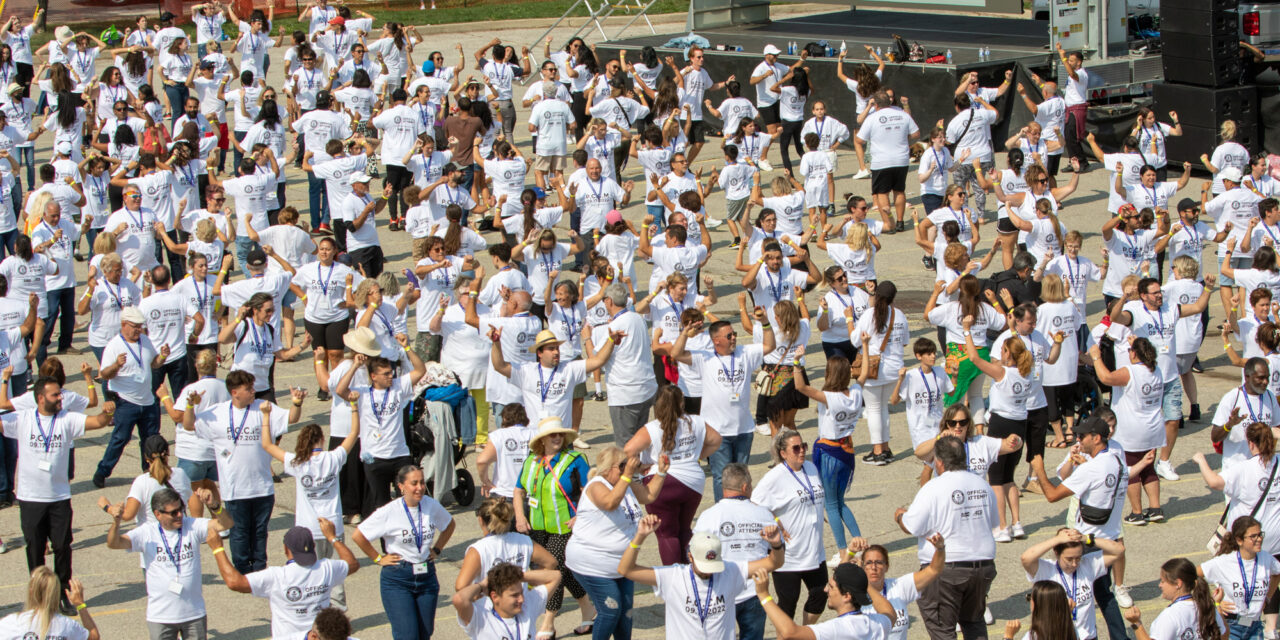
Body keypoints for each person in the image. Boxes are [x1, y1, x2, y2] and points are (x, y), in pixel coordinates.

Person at [3, 375, 114, 613]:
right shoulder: (23, 419)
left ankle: (64, 593)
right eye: (55, 395)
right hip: (31, 497)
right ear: (41, 398)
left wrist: (106, 413)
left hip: (59, 497)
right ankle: (38, 596)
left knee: (63, 546)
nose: (60, 398)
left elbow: (97, 422)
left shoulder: (66, 419)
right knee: (34, 548)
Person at [182, 371, 307, 574]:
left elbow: (291, 418)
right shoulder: (218, 413)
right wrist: (190, 405)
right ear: (234, 392)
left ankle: (259, 569)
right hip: (234, 488)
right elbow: (189, 424)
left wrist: (297, 403)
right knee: (239, 533)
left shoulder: (263, 408)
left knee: (259, 532)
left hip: (262, 486)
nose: (253, 391)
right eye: (248, 388)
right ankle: (241, 571)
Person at [617, 513, 786, 640]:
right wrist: (640, 536)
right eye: (704, 566)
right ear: (690, 557)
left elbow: (773, 563)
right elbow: (626, 570)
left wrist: (776, 544)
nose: (709, 571)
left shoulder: (730, 570)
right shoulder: (673, 576)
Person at [896, 435, 999, 639]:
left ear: (939, 461)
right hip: (983, 566)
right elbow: (994, 523)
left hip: (946, 569)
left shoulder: (933, 487)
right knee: (974, 622)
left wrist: (900, 516)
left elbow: (912, 526)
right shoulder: (982, 485)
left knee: (942, 629)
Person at [1113, 276, 1213, 481]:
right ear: (1143, 295)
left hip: (1170, 375)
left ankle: (1164, 461)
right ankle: (1137, 461)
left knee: (1173, 420)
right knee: (1144, 422)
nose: (1159, 296)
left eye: (1160, 292)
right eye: (1155, 293)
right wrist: (1123, 298)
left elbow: (1197, 308)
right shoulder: (1135, 310)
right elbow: (1116, 317)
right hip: (1147, 377)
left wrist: (1209, 289)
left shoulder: (1171, 308)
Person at [260, 408, 360, 610]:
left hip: (308, 529)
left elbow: (267, 445)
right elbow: (353, 433)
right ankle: (338, 613)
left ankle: (313, 609)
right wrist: (354, 406)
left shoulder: (297, 462)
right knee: (336, 573)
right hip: (333, 526)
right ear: (322, 440)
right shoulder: (333, 458)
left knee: (310, 572)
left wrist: (265, 416)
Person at [667, 311, 774, 499]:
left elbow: (769, 345)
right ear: (716, 341)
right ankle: (723, 514)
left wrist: (765, 322)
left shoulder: (744, 353)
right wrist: (685, 333)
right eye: (729, 336)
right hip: (718, 431)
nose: (734, 338)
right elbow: (675, 353)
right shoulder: (705, 358)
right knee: (721, 477)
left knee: (742, 476)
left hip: (743, 429)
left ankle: (741, 509)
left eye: (734, 334)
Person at [564, 446, 667, 640]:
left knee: (626, 613)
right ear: (608, 468)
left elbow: (648, 495)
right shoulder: (596, 485)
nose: (625, 469)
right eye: (621, 465)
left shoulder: (625, 484)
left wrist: (661, 472)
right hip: (591, 563)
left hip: (622, 564)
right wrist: (628, 474)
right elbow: (610, 503)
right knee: (611, 610)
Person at [104, 486, 231, 640]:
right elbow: (114, 543)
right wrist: (116, 523)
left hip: (194, 614)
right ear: (158, 514)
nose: (179, 515)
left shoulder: (191, 525)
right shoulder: (146, 533)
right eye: (173, 513)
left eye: (181, 509)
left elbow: (225, 524)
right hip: (161, 617)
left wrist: (214, 505)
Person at [513, 417, 596, 634]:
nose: (557, 437)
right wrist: (520, 516)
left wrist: (580, 515)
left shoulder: (576, 459)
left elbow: (591, 490)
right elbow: (518, 490)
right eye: (552, 435)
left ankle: (548, 622)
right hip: (537, 527)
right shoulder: (531, 461)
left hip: (564, 527)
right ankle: (588, 608)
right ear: (543, 440)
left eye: (560, 434)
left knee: (553, 567)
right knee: (564, 570)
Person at [352, 465, 455, 640]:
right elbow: (358, 535)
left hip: (427, 577)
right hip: (398, 578)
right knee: (407, 635)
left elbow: (449, 525)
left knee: (425, 633)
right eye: (414, 483)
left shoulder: (431, 505)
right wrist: (378, 558)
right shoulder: (389, 511)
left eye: (422, 482)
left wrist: (437, 549)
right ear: (401, 486)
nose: (420, 487)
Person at [208, 521, 359, 638]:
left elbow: (235, 582)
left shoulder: (277, 576)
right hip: (318, 637)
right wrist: (332, 537)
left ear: (286, 549)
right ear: (313, 546)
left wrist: (218, 548)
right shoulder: (327, 568)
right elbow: (352, 563)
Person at [623, 383, 720, 563]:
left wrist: (641, 466)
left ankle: (673, 575)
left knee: (666, 534)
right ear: (681, 403)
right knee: (684, 529)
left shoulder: (653, 428)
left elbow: (628, 450)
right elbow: (716, 440)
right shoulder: (696, 421)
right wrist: (696, 456)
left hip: (662, 481)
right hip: (693, 482)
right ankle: (691, 569)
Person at [792, 341, 870, 556]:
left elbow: (800, 387)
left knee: (831, 504)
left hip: (829, 453)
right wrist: (865, 345)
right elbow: (863, 373)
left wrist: (797, 362)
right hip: (846, 452)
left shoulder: (830, 398)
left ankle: (843, 551)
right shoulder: (855, 392)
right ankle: (859, 541)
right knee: (840, 501)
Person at [332, 342, 427, 515]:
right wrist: (355, 366)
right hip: (375, 457)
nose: (390, 376)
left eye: (390, 372)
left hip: (399, 455)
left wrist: (407, 349)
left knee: (409, 501)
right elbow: (340, 389)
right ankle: (387, 542)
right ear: (373, 376)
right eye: (385, 374)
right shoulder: (362, 393)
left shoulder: (399, 386)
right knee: (381, 506)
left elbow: (420, 370)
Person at [694, 462, 780, 640]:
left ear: (723, 486)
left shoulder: (708, 516)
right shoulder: (764, 514)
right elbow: (778, 552)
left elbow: (695, 553)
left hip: (719, 591)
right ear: (745, 486)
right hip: (755, 590)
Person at [752, 429, 827, 623]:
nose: (801, 451)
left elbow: (813, 494)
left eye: (803, 446)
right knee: (788, 603)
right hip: (790, 555)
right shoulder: (775, 477)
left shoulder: (811, 467)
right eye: (796, 448)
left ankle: (804, 632)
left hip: (815, 550)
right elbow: (754, 504)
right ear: (783, 453)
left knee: (821, 594)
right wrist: (775, 522)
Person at [94, 306, 166, 487]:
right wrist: (116, 366)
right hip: (126, 401)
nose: (138, 330)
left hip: (148, 400)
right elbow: (104, 374)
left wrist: (163, 357)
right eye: (134, 326)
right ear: (124, 324)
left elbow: (154, 363)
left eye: (140, 326)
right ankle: (103, 471)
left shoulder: (145, 340)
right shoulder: (113, 346)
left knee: (150, 439)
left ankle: (149, 471)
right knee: (120, 438)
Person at [1018, 526, 1126, 640]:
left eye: (1078, 558)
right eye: (1069, 559)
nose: (1074, 564)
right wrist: (1057, 540)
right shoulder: (1045, 569)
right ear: (1056, 552)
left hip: (1088, 636)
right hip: (1058, 636)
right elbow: (1026, 558)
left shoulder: (1088, 565)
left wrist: (1085, 538)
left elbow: (1119, 551)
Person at [751, 560, 897, 640]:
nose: (826, 590)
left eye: (831, 587)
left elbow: (790, 632)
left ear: (847, 596)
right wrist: (862, 584)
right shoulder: (877, 624)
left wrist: (764, 595)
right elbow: (889, 612)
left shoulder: (837, 629)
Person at [1199, 516, 1280, 640]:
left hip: (1255, 625)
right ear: (1239, 540)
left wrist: (1267, 598)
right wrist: (1213, 602)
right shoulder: (1224, 562)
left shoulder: (1266, 559)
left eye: (1260, 534)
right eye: (1253, 536)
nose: (1259, 539)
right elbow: (1191, 575)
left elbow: (1277, 573)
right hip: (1231, 625)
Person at [849, 537, 945, 640]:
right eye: (869, 563)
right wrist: (849, 553)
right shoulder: (855, 592)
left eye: (879, 562)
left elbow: (933, 570)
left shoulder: (899, 586)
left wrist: (940, 549)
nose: (873, 567)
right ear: (862, 566)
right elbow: (836, 583)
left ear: (887, 566)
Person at [454, 496, 559, 589]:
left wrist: (480, 592)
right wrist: (531, 584)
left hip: (490, 607)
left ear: (480, 520)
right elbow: (551, 562)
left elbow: (461, 586)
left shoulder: (478, 550)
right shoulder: (524, 541)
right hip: (520, 604)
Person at [855, 90, 919, 232]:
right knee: (899, 190)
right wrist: (902, 137)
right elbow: (916, 133)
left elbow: (859, 139)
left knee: (882, 193)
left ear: (875, 104)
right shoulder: (903, 115)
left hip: (881, 161)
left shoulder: (872, 118)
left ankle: (889, 224)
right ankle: (900, 222)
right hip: (901, 159)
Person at [1122, 558, 1226, 640]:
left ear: (1178, 584)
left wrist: (1136, 623)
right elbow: (1224, 635)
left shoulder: (1170, 616)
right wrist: (1217, 605)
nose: (1159, 585)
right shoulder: (1208, 607)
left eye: (1163, 581)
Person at [452, 562, 562, 640]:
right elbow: (459, 599)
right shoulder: (480, 618)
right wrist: (482, 585)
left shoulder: (528, 605)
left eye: (521, 593)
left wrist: (518, 576)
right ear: (495, 597)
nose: (521, 599)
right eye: (514, 595)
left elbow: (555, 576)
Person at [1209, 358, 1280, 470]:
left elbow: (1276, 428)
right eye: (1261, 378)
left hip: (1262, 469)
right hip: (1236, 469)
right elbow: (1215, 437)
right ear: (1247, 377)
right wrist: (1229, 425)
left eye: (1267, 377)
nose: (1266, 382)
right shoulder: (1232, 399)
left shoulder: (1270, 397)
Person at [0, 568, 98, 640]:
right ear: (56, 594)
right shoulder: (67, 625)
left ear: (31, 591)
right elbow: (94, 637)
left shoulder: (13, 622)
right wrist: (80, 605)